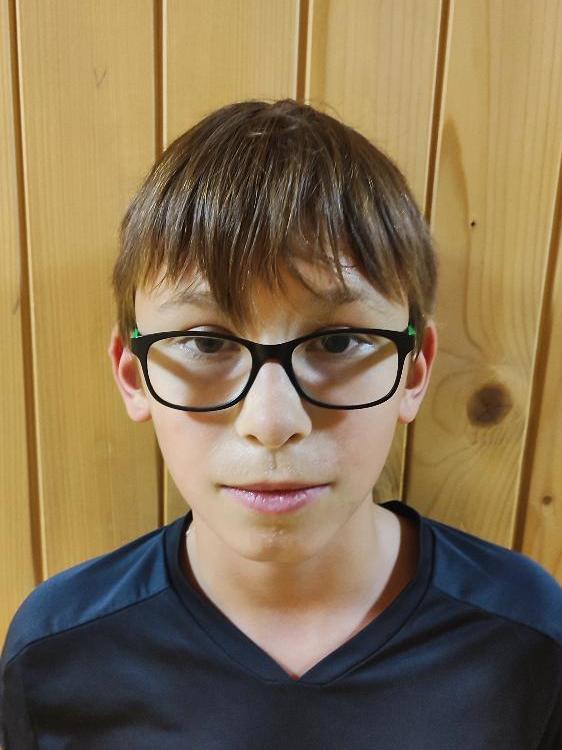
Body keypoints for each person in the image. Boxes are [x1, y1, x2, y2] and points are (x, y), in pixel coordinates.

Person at [1, 98, 560, 749]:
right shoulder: (57, 651)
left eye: (339, 342)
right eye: (206, 343)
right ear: (134, 376)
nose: (271, 422)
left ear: (413, 371)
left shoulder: (527, 638)